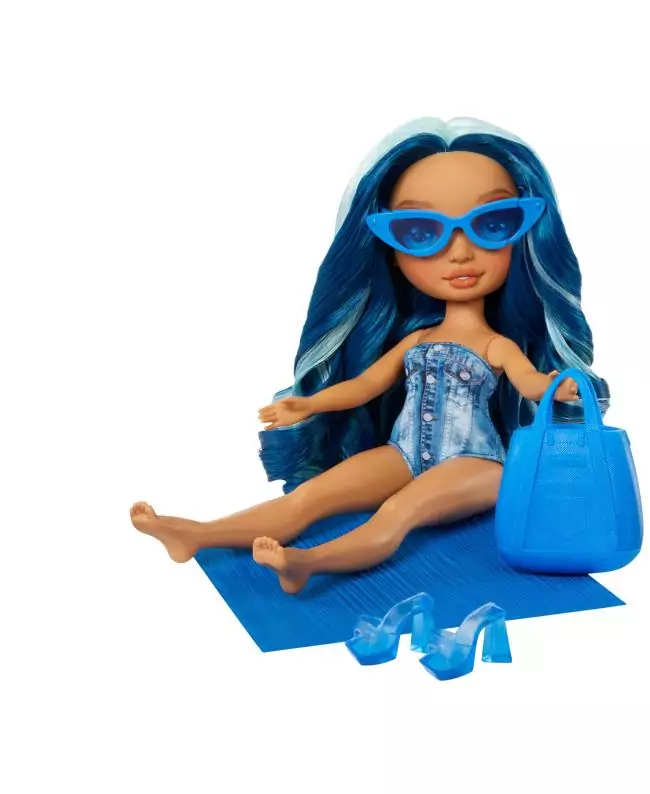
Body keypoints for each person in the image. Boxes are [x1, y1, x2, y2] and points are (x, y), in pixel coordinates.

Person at [130, 116, 610, 594]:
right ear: (391, 252)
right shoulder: (416, 341)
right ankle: (196, 534)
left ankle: (307, 562)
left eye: (492, 224)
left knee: (398, 512)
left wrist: (558, 387)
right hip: (402, 454)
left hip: (477, 466)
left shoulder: (494, 345)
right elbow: (365, 387)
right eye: (421, 231)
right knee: (311, 497)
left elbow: (528, 382)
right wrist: (308, 403)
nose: (460, 252)